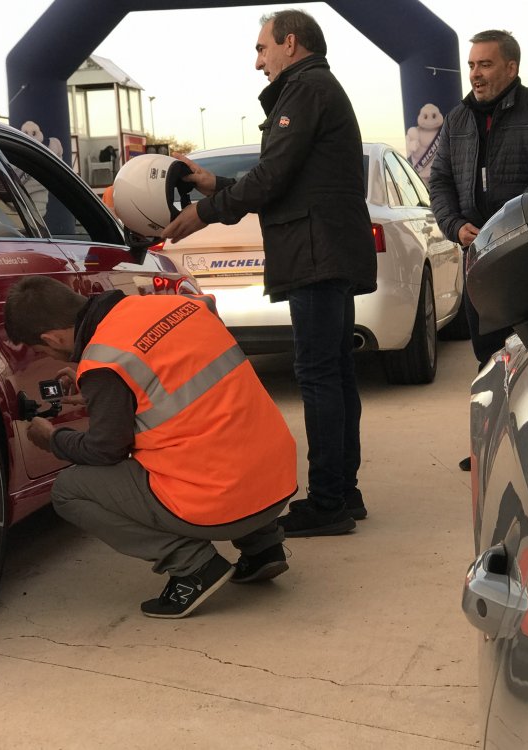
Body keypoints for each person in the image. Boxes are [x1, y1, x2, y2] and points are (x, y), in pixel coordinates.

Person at [161, 9, 376, 537]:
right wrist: (216, 186)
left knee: (319, 376)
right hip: (325, 251)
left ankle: (328, 503)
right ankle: (343, 493)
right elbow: (284, 176)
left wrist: (205, 213)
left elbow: (274, 176)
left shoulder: (305, 90)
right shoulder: (315, 89)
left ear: (290, 43)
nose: (258, 62)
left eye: (262, 49)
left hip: (315, 253)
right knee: (335, 374)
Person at [4, 276, 298, 619]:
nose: (50, 357)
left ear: (51, 338)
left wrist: (52, 439)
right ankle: (263, 548)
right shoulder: (177, 307)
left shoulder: (104, 363)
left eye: (43, 351)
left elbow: (104, 451)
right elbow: (182, 386)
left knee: (69, 491)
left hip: (221, 500)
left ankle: (194, 567)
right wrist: (104, 396)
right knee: (222, 431)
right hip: (275, 480)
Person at [428, 29, 528, 470]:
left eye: (485, 64)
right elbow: (440, 180)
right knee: (489, 356)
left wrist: (514, 225)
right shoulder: (457, 120)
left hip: (527, 257)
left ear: (511, 67)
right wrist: (455, 226)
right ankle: (489, 447)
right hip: (478, 259)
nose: (475, 73)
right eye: (472, 65)